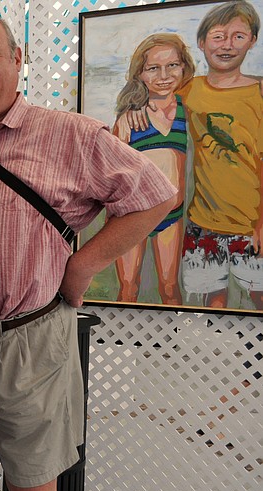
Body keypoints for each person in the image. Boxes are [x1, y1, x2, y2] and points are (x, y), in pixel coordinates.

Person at [0, 13, 177, 491]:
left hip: (32, 339)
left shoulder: (72, 135)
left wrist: (85, 265)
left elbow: (159, 194)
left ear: (17, 59)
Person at [130, 0, 263, 309]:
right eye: (218, 36)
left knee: (258, 297)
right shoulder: (190, 89)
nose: (227, 45)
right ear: (202, 43)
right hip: (202, 223)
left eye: (238, 36)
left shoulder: (258, 94)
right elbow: (155, 92)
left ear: (253, 40)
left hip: (250, 224)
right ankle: (211, 354)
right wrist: (133, 106)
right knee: (211, 300)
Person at [111, 33, 195, 305]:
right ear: (140, 73)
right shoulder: (129, 119)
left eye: (172, 65)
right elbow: (111, 174)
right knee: (127, 287)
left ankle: (175, 344)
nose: (164, 75)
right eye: (153, 68)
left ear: (184, 67)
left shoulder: (189, 109)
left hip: (171, 214)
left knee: (170, 287)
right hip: (132, 217)